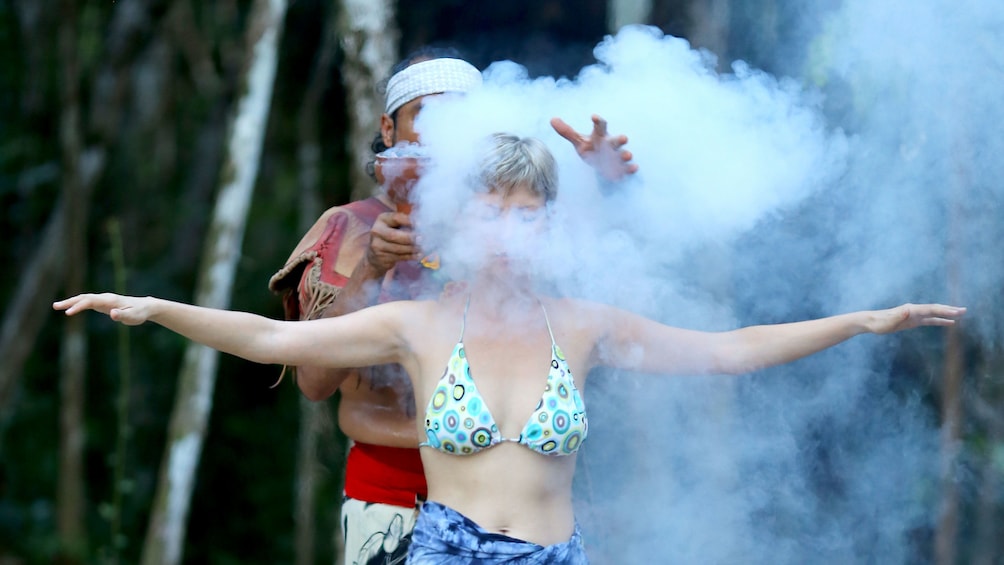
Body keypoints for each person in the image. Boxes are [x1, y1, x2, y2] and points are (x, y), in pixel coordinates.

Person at [55, 133, 965, 564]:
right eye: (495, 208)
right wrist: (151, 304)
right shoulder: (415, 324)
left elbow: (727, 350)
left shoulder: (583, 322)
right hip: (443, 553)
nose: (512, 228)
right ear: (461, 216)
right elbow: (268, 335)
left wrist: (861, 321)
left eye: (531, 213)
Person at [267, 48, 638, 564]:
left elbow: (609, 295)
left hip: (517, 511)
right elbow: (313, 383)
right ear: (389, 129)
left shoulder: (519, 228)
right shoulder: (351, 227)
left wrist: (604, 185)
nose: (445, 131)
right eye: (426, 113)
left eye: (458, 115)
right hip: (390, 498)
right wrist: (371, 267)